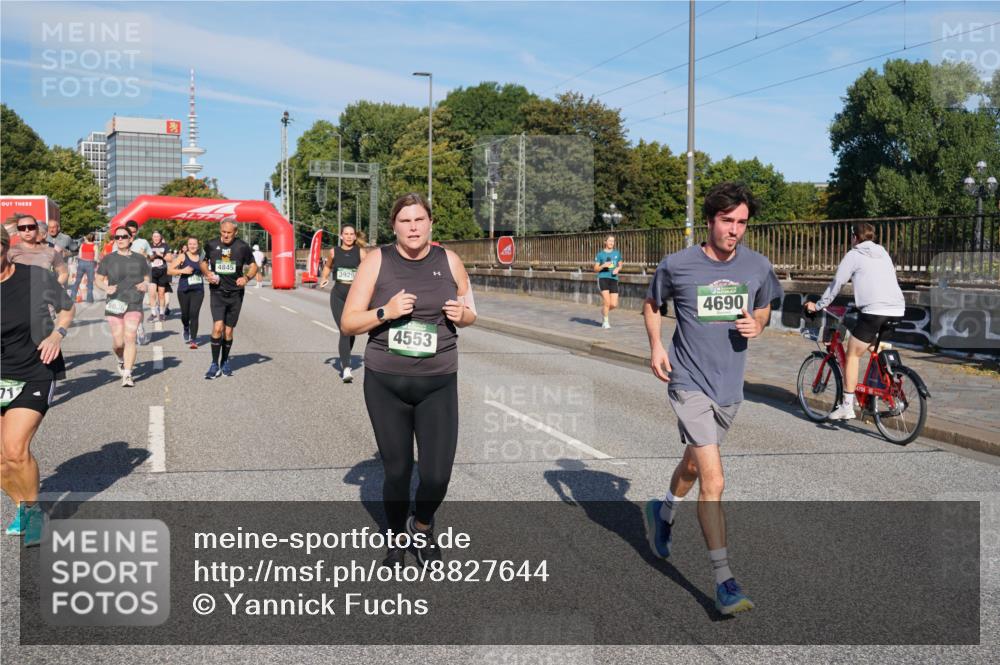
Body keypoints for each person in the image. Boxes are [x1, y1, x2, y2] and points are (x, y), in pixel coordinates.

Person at [642, 182, 783, 616]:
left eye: (741, 222)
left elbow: (764, 307)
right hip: (687, 381)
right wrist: (656, 346)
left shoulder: (757, 266)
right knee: (714, 479)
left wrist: (758, 325)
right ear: (710, 221)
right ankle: (724, 581)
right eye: (727, 221)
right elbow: (652, 304)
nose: (735, 230)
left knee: (693, 462)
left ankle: (662, 511)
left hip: (729, 386)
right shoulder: (678, 265)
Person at [341, 193, 477, 568]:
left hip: (438, 382)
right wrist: (385, 311)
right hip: (386, 383)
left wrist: (462, 315)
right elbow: (348, 322)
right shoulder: (376, 261)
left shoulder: (449, 260)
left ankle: (422, 524)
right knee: (398, 471)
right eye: (405, 221)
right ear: (394, 226)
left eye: (419, 220)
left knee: (436, 476)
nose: (413, 227)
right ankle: (397, 538)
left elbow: (472, 312)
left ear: (430, 223)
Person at [1, 226, 75, 546]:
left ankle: (32, 513)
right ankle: (22, 506)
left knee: (15, 450)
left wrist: (57, 335)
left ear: (5, 249)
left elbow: (67, 308)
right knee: (1, 459)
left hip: (34, 370)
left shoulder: (34, 277)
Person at [805, 222, 905, 421]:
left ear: (854, 237)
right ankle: (881, 394)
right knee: (873, 349)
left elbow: (837, 283)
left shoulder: (854, 254)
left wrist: (817, 305)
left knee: (852, 355)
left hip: (874, 311)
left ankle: (847, 406)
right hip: (897, 310)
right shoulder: (882, 252)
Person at [200, 219, 258, 378]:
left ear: (235, 232)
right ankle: (214, 364)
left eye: (229, 233)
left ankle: (225, 361)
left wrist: (246, 278)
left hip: (235, 293)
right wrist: (208, 273)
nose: (225, 235)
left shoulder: (242, 247)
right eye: (223, 232)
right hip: (217, 292)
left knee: (228, 331)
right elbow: (203, 263)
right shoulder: (211, 244)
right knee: (218, 327)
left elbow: (254, 266)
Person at [96, 227, 151, 388]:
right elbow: (98, 279)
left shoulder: (140, 259)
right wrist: (106, 288)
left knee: (130, 337)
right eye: (117, 237)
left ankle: (127, 374)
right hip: (115, 302)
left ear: (130, 239)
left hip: (134, 302)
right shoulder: (108, 259)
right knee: (118, 343)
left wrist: (145, 284)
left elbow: (147, 277)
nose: (120, 239)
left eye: (123, 237)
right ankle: (120, 359)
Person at [319, 224, 369, 383]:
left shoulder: (361, 253)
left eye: (351, 234)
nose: (348, 237)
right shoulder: (334, 252)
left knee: (351, 330)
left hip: (355, 298)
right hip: (338, 296)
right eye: (345, 234)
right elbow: (327, 267)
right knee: (344, 330)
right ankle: (346, 368)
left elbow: (369, 271)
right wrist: (324, 277)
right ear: (341, 236)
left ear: (355, 236)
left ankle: (344, 355)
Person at [7, 216, 68, 286]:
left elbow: (64, 273)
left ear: (37, 229)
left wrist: (54, 287)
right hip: (17, 294)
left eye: (31, 227)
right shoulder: (11, 252)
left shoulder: (51, 251)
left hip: (42, 295)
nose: (27, 230)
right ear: (18, 231)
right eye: (22, 228)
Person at [168, 237, 206, 349]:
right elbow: (170, 270)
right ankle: (186, 327)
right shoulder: (182, 256)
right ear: (187, 245)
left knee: (194, 314)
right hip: (184, 290)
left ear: (198, 245)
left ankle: (193, 339)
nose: (192, 246)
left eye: (194, 244)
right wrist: (182, 271)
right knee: (185, 315)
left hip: (198, 290)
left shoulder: (202, 257)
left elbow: (207, 270)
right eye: (190, 244)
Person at [593, 235, 623, 329]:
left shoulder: (617, 253)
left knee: (613, 304)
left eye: (613, 241)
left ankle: (604, 311)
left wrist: (618, 269)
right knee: (607, 301)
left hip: (613, 279)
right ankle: (605, 321)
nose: (611, 243)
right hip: (603, 278)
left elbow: (620, 264)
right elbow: (595, 269)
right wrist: (603, 265)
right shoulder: (600, 254)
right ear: (605, 242)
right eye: (610, 241)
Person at [147, 231, 172, 322]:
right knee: (152, 293)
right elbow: (146, 258)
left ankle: (161, 313)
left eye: (158, 236)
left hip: (162, 272)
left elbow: (170, 259)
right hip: (152, 272)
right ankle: (153, 313)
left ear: (160, 237)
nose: (156, 238)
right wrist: (152, 256)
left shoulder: (165, 246)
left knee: (161, 294)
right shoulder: (148, 246)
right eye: (154, 236)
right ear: (152, 237)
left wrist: (160, 254)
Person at [69, 232, 97, 303]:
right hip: (90, 263)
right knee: (90, 282)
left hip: (81, 263)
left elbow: (80, 256)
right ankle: (89, 299)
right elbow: (96, 257)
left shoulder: (82, 245)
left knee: (77, 281)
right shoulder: (95, 246)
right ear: (93, 239)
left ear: (87, 238)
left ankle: (73, 297)